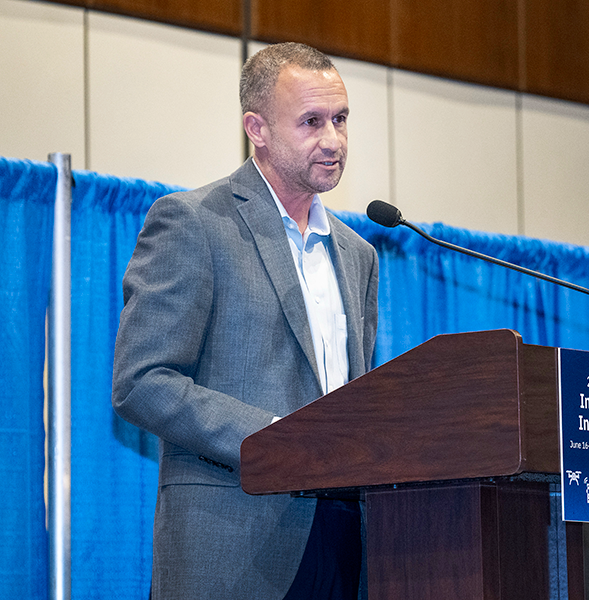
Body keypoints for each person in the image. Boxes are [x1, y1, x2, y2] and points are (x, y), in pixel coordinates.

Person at [111, 42, 378, 600]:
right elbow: (141, 382)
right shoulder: (192, 223)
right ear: (257, 128)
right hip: (234, 544)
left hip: (346, 541)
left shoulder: (358, 254)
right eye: (311, 122)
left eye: (341, 119)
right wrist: (279, 441)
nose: (333, 140)